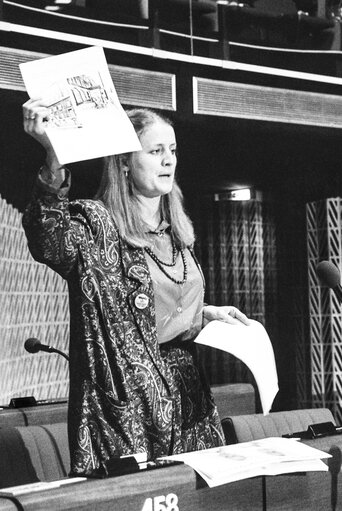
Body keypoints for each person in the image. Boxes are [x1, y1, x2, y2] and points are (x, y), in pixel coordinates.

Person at [22, 98, 250, 477]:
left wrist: (206, 312)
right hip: (129, 413)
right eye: (156, 151)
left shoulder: (176, 233)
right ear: (125, 162)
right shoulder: (98, 225)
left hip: (189, 405)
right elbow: (48, 238)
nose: (169, 160)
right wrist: (53, 153)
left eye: (173, 151)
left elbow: (157, 306)